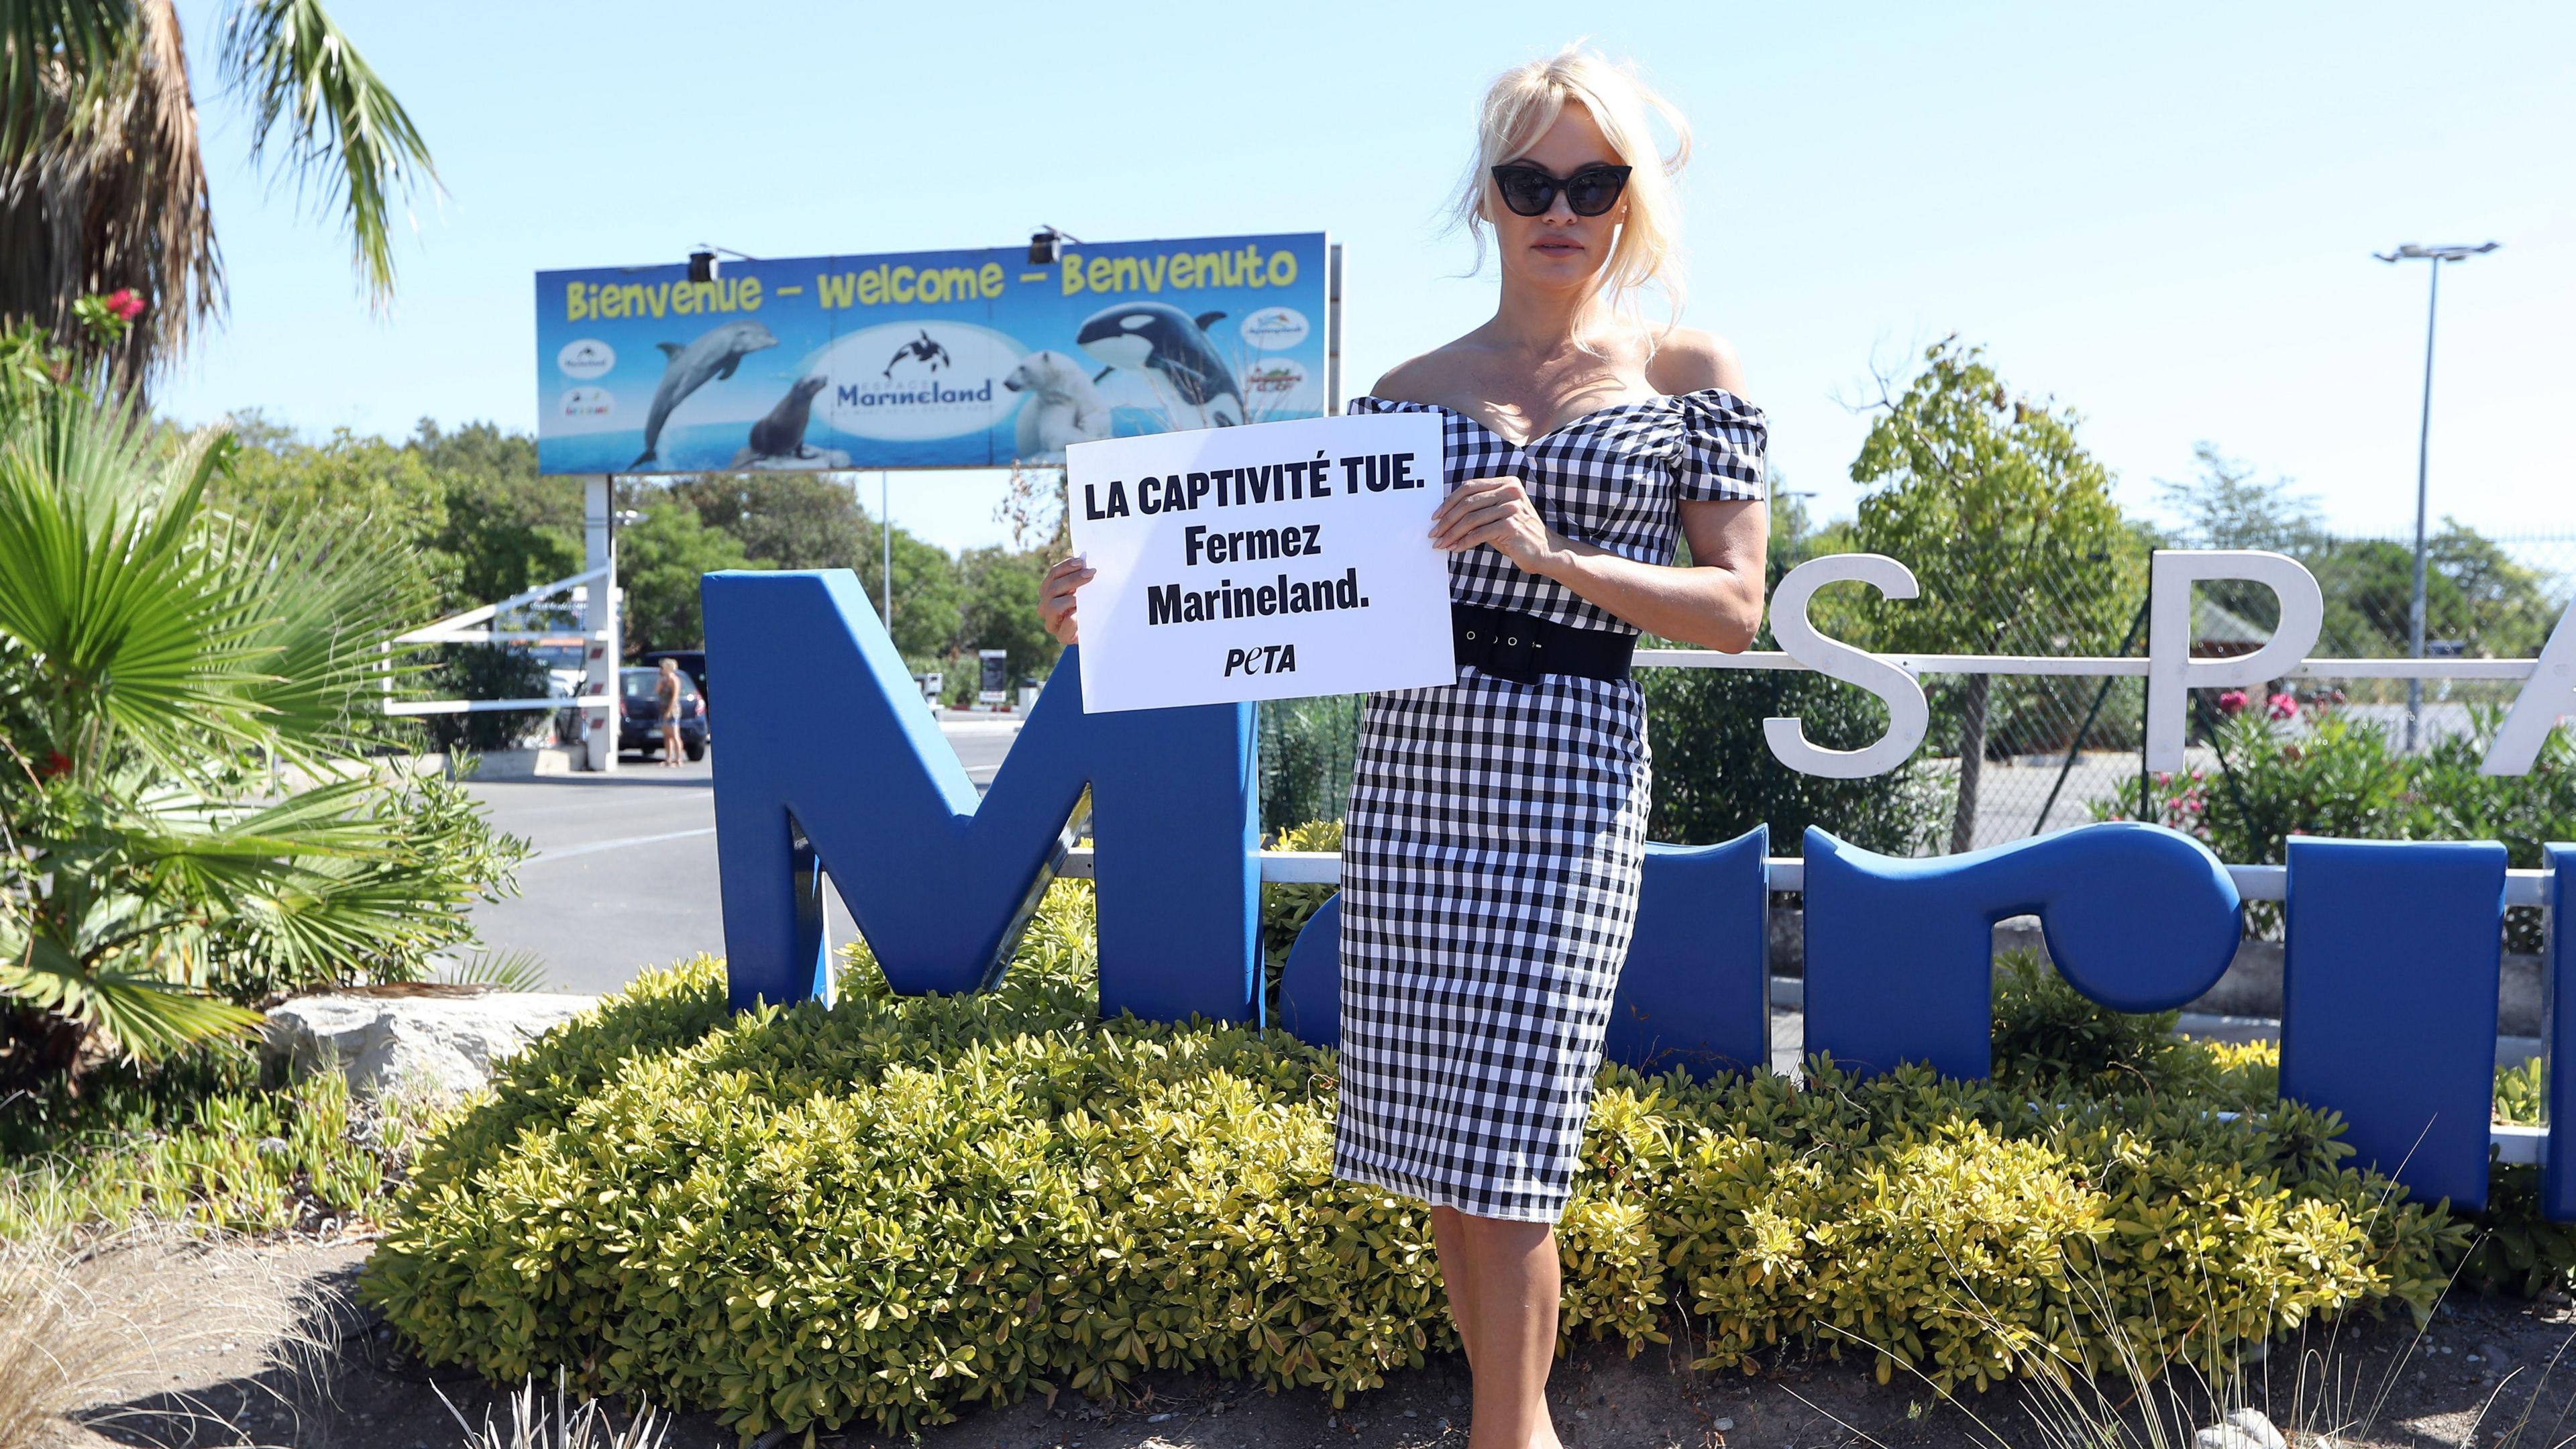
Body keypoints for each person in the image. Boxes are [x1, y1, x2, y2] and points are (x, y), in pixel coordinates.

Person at [1039, 46, 1766, 1449]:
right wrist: (1108, 597)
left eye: (1594, 179)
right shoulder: (1403, 388)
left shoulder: (1690, 371)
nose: (1562, 204)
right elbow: (1281, 578)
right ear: (1485, 199)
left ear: (1631, 201)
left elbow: (1734, 609)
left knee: (1517, 1142)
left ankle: (1513, 1437)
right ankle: (1512, 1429)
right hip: (1420, 771)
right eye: (1531, 178)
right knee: (1446, 1144)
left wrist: (1557, 560)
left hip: (1569, 771)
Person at [655, 657, 686, 767]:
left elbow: (675, 697)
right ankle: (668, 759)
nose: (661, 669)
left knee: (675, 735)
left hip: (673, 710)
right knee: (667, 735)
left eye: (662, 667)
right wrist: (660, 681)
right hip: (663, 709)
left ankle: (679, 759)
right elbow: (657, 691)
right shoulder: (663, 680)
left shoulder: (674, 680)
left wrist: (669, 711)